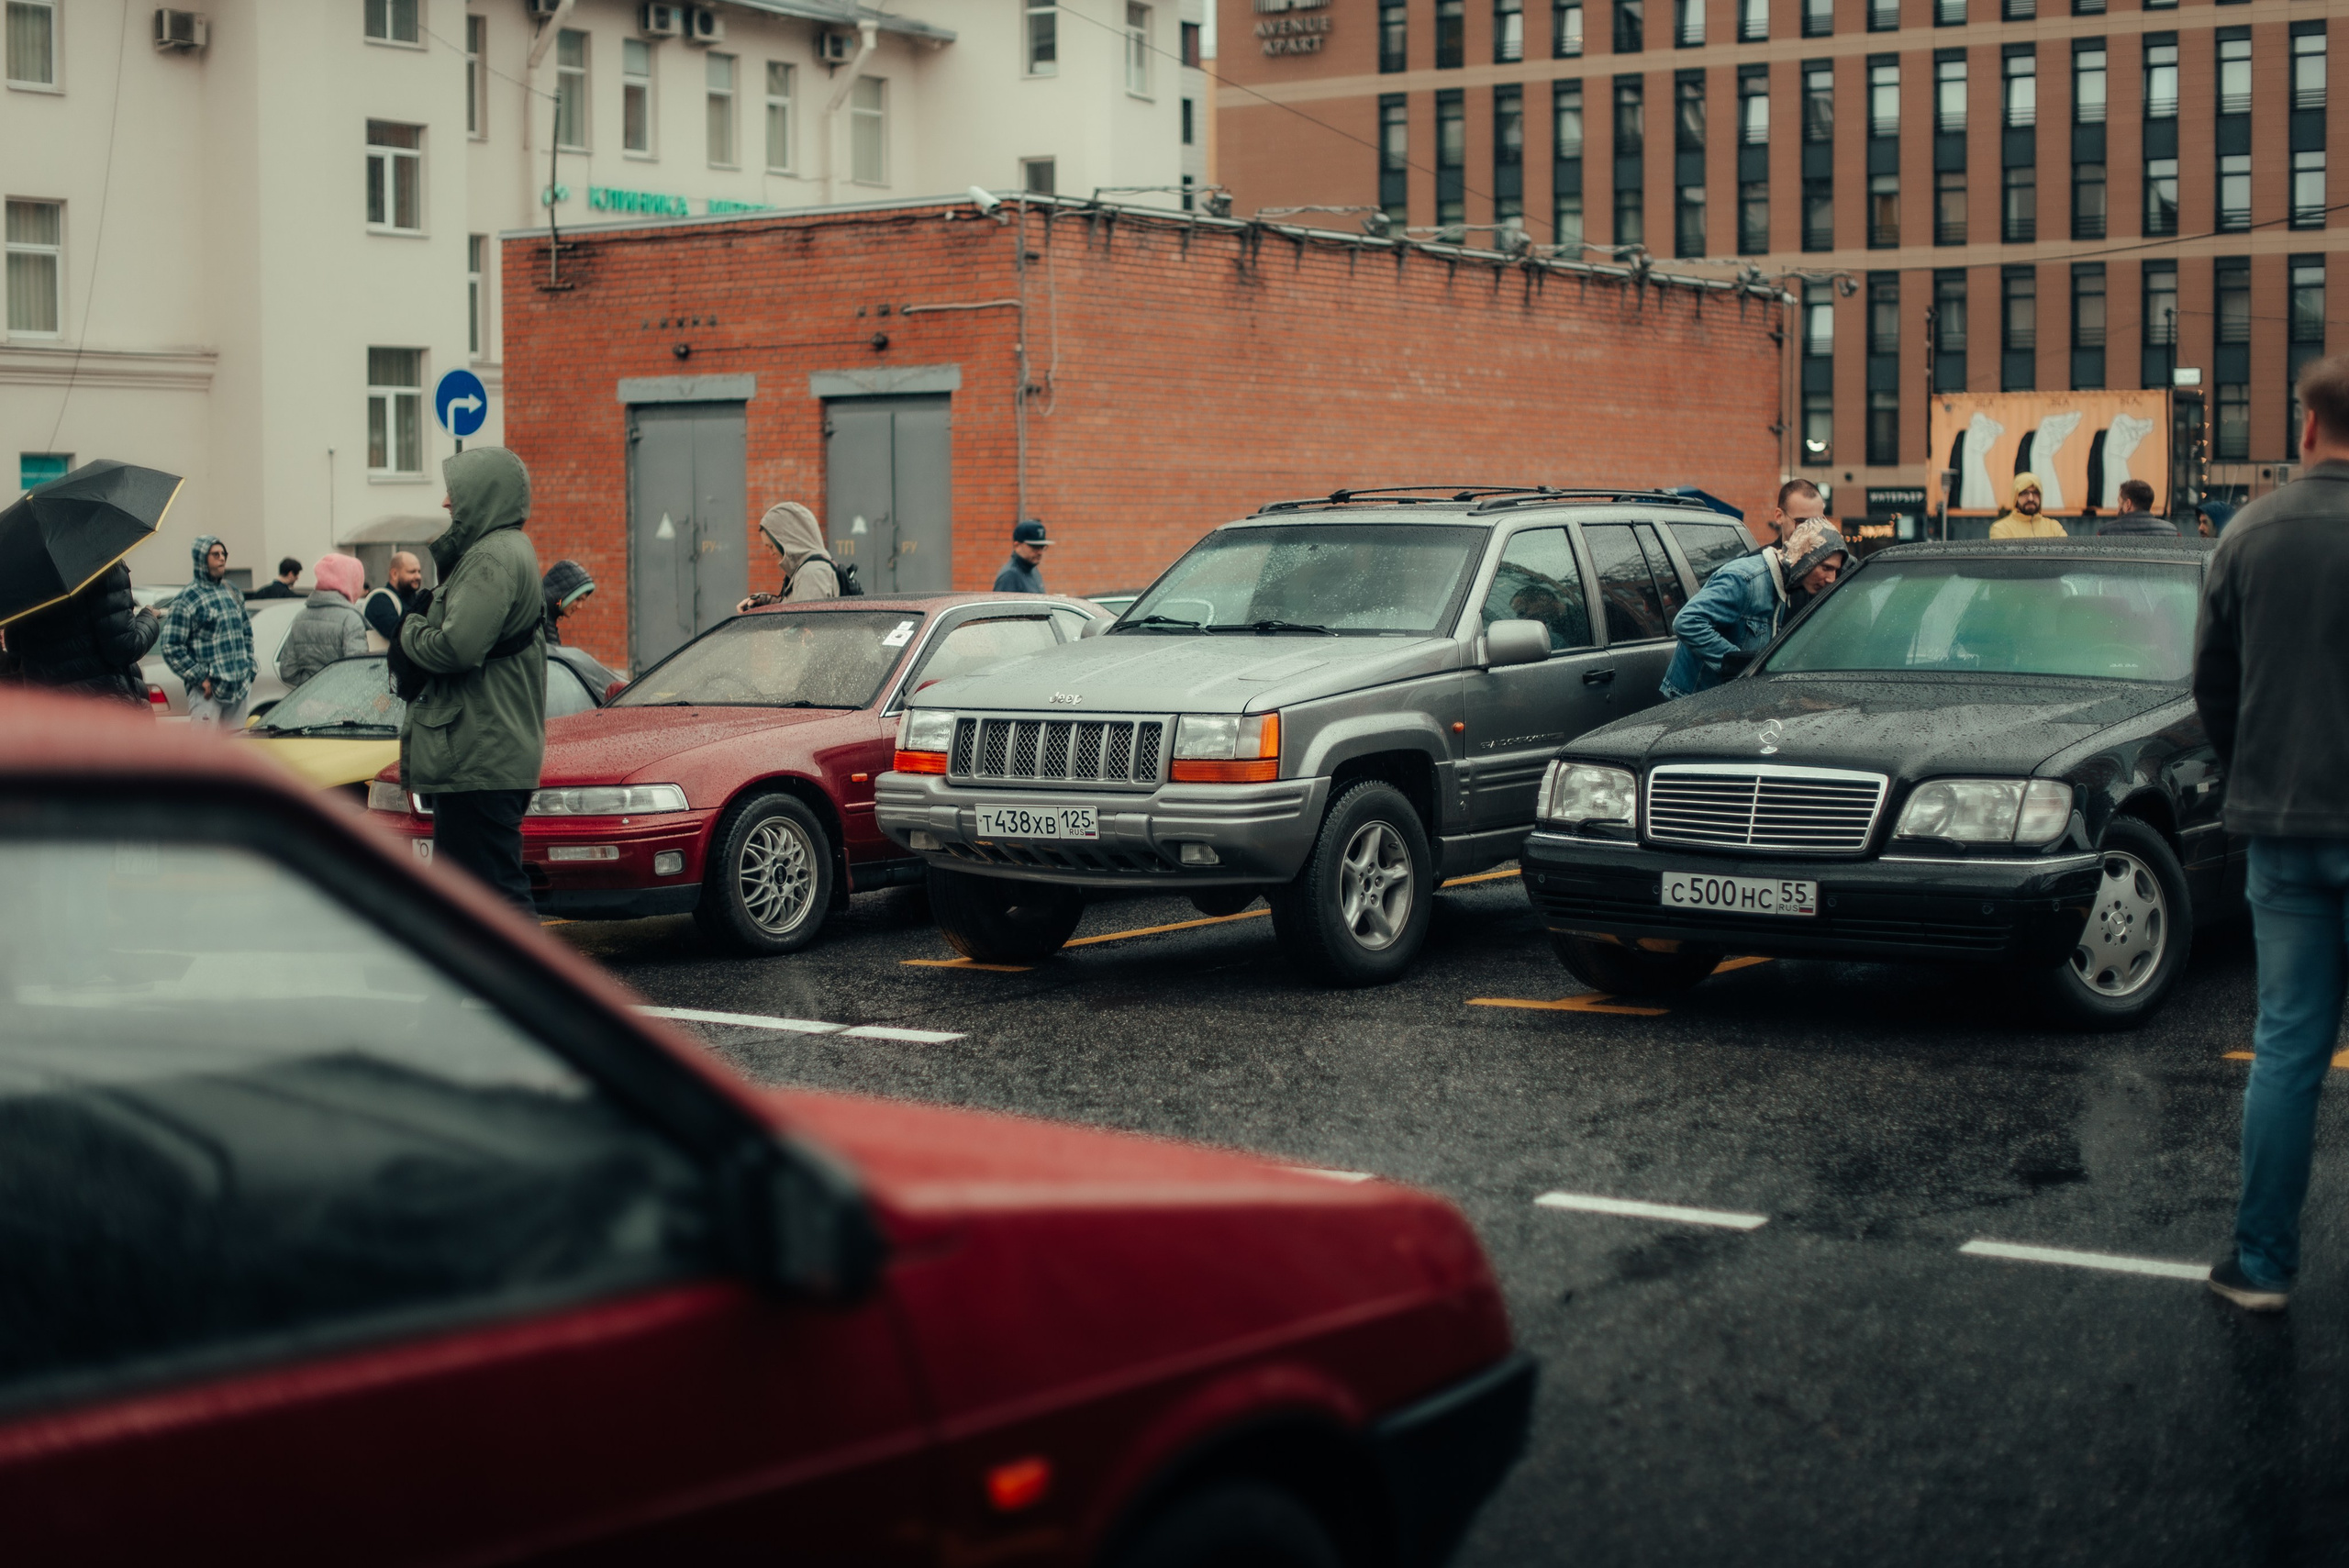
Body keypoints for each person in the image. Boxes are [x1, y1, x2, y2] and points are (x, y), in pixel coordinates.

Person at [2192, 353, 2349, 1314]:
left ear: (2304, 428)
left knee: (2287, 1047)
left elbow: (2212, 679)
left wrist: (2254, 766)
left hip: (2283, 822)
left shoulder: (2248, 530)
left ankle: (2260, 1265)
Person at [398, 447, 547, 912]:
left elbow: (458, 648)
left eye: (454, 493)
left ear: (483, 495)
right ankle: (476, 983)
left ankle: (522, 985)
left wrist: (411, 629)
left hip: (478, 751)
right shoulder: (504, 551)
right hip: (482, 748)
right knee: (467, 893)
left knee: (494, 890)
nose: (446, 503)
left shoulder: (491, 558)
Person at [1660, 518, 1844, 699]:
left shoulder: (1784, 585)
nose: (1831, 579)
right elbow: (1687, 621)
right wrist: (1740, 665)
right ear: (1805, 557)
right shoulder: (1745, 579)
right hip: (1690, 702)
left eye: (1835, 570)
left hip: (1724, 705)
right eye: (1826, 568)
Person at [6, 559, 161, 706]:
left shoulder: (20, 574)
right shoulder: (103, 565)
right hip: (107, 709)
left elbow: (16, 655)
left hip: (48, 712)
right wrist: (149, 618)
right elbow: (124, 648)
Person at [160, 535, 257, 727]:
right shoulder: (188, 598)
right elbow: (171, 646)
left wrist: (250, 668)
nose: (222, 558)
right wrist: (199, 677)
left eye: (224, 554)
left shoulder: (232, 591)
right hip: (208, 691)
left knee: (234, 751)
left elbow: (246, 632)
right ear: (201, 559)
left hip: (239, 688)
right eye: (215, 554)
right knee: (205, 753)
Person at [277, 553, 370, 687]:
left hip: (308, 700)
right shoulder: (351, 619)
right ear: (351, 582)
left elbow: (287, 671)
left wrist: (314, 685)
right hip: (342, 702)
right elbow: (358, 673)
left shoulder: (301, 617)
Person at [736, 502, 838, 611]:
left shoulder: (811, 574)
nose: (771, 553)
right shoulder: (807, 570)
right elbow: (797, 611)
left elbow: (808, 625)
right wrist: (765, 603)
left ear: (786, 541)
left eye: (771, 546)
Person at [362, 550, 425, 649]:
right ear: (394, 574)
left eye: (419, 572)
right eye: (412, 572)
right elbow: (400, 634)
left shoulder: (418, 600)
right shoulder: (380, 600)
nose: (418, 576)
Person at [1988, 473, 2066, 539]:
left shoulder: (2054, 527)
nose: (2031, 498)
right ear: (2015, 497)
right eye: (2025, 493)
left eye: (2035, 493)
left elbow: (2066, 552)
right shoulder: (2001, 528)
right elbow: (2009, 556)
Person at [2095, 478, 2178, 537]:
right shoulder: (2171, 532)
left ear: (2128, 504)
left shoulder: (2107, 532)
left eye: (2120, 503)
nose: (2118, 508)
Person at [1758, 478, 1827, 547]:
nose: (1810, 531)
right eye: (1801, 522)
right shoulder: (1761, 557)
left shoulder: (1834, 555)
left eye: (1818, 522)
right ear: (1779, 516)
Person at [541, 559, 596, 644]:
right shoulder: (539, 621)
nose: (580, 606)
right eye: (578, 599)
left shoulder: (544, 616)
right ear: (563, 594)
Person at [994, 518, 1051, 594]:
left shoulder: (1033, 570)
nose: (1040, 552)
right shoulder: (1010, 576)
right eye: (1035, 547)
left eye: (1042, 547)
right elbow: (1003, 605)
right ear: (1017, 546)